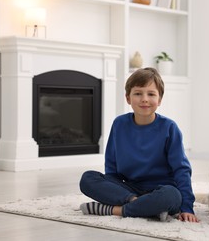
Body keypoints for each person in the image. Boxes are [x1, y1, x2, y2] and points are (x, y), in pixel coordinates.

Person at [79, 67, 198, 223]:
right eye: (138, 93)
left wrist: (187, 207)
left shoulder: (169, 128)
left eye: (151, 94)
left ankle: (114, 210)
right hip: (129, 190)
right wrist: (112, 190)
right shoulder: (119, 124)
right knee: (88, 178)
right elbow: (111, 167)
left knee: (172, 196)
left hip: (161, 190)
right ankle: (146, 208)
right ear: (128, 98)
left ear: (160, 99)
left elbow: (181, 170)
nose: (144, 99)